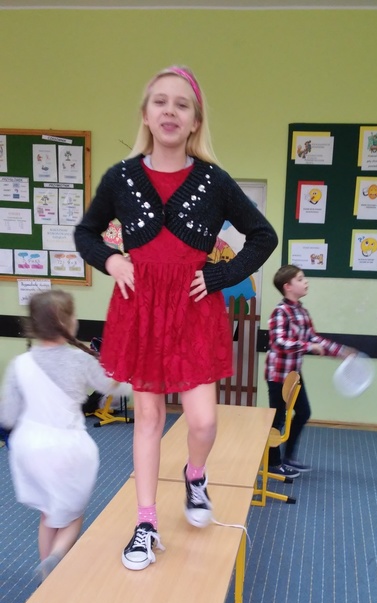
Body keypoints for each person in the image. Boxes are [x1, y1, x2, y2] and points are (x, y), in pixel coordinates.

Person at [74, 65, 278, 572]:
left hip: (193, 309)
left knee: (203, 420)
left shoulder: (213, 181)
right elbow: (86, 233)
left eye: (181, 104)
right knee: (148, 418)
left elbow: (263, 236)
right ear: (146, 115)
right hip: (141, 309)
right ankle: (146, 524)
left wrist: (220, 275)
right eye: (160, 102)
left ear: (194, 121)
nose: (170, 111)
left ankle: (195, 474)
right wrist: (112, 261)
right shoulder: (121, 178)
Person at [0, 290, 131, 581]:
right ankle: (57, 554)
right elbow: (116, 387)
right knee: (73, 514)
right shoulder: (79, 361)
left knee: (49, 513)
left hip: (30, 449)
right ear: (70, 323)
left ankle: (46, 576)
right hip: (67, 449)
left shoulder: (20, 365)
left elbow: (7, 416)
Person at [265, 265, 355, 475]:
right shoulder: (280, 312)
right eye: (300, 278)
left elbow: (315, 339)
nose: (306, 281)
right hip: (278, 376)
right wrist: (307, 346)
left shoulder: (301, 311)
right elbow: (279, 342)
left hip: (294, 375)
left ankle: (288, 457)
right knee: (277, 420)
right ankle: (273, 464)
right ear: (287, 286)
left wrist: (341, 352)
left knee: (303, 412)